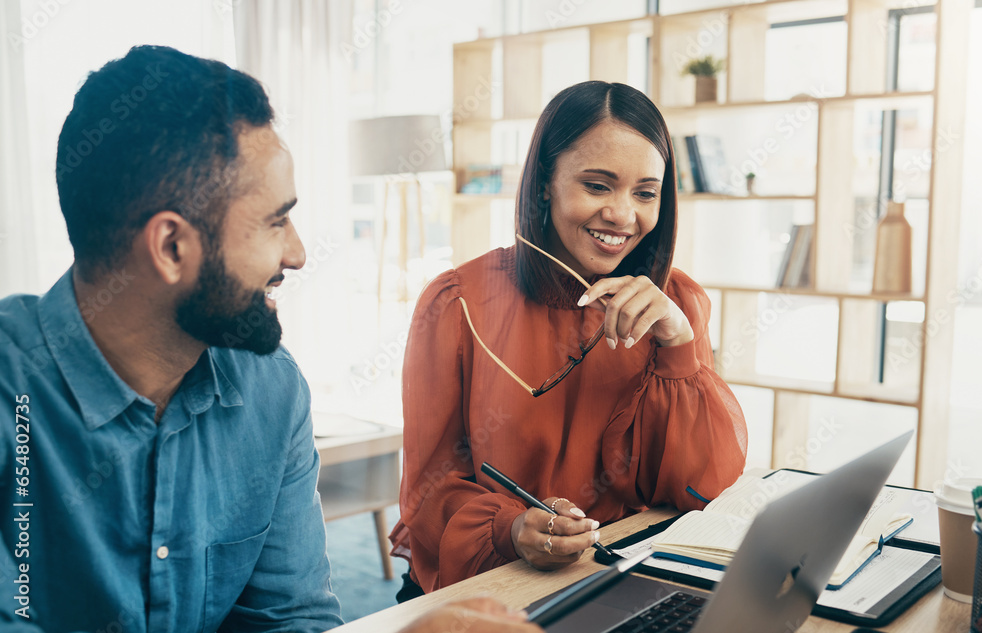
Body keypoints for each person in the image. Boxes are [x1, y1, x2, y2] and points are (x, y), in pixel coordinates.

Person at [0, 45, 539, 633]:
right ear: (172, 248)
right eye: (275, 221)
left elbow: (289, 622)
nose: (299, 254)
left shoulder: (271, 389)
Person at [390, 80, 749, 596]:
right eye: (598, 186)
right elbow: (428, 492)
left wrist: (679, 346)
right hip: (490, 577)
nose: (623, 216)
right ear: (544, 184)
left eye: (645, 193)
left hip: (614, 574)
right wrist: (511, 529)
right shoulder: (456, 304)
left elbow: (703, 488)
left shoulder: (676, 305)